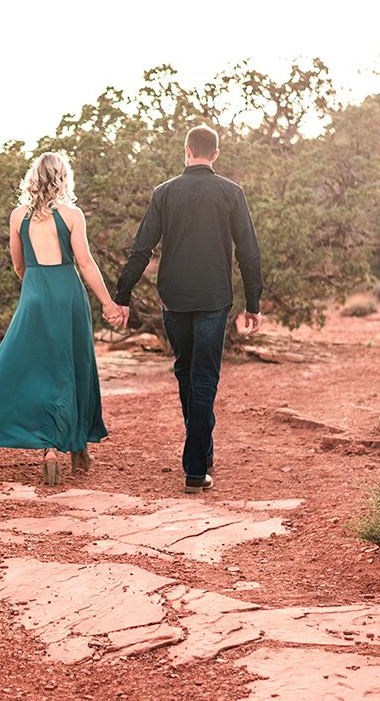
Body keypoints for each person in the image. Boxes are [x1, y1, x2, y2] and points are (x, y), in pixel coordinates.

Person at [0, 151, 125, 485]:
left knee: (41, 371)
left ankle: (50, 450)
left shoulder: (19, 217)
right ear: (63, 177)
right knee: (75, 368)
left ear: (33, 176)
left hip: (34, 294)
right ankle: (78, 448)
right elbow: (85, 263)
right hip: (68, 295)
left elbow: (18, 264)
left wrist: (35, 291)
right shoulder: (73, 215)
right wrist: (108, 303)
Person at [113, 125, 263, 494]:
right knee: (203, 379)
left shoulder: (164, 193)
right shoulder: (231, 193)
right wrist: (253, 303)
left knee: (186, 373)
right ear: (215, 154)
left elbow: (141, 249)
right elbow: (248, 252)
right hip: (213, 298)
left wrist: (122, 294)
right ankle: (196, 469)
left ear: (186, 151)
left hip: (175, 299)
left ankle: (202, 450)